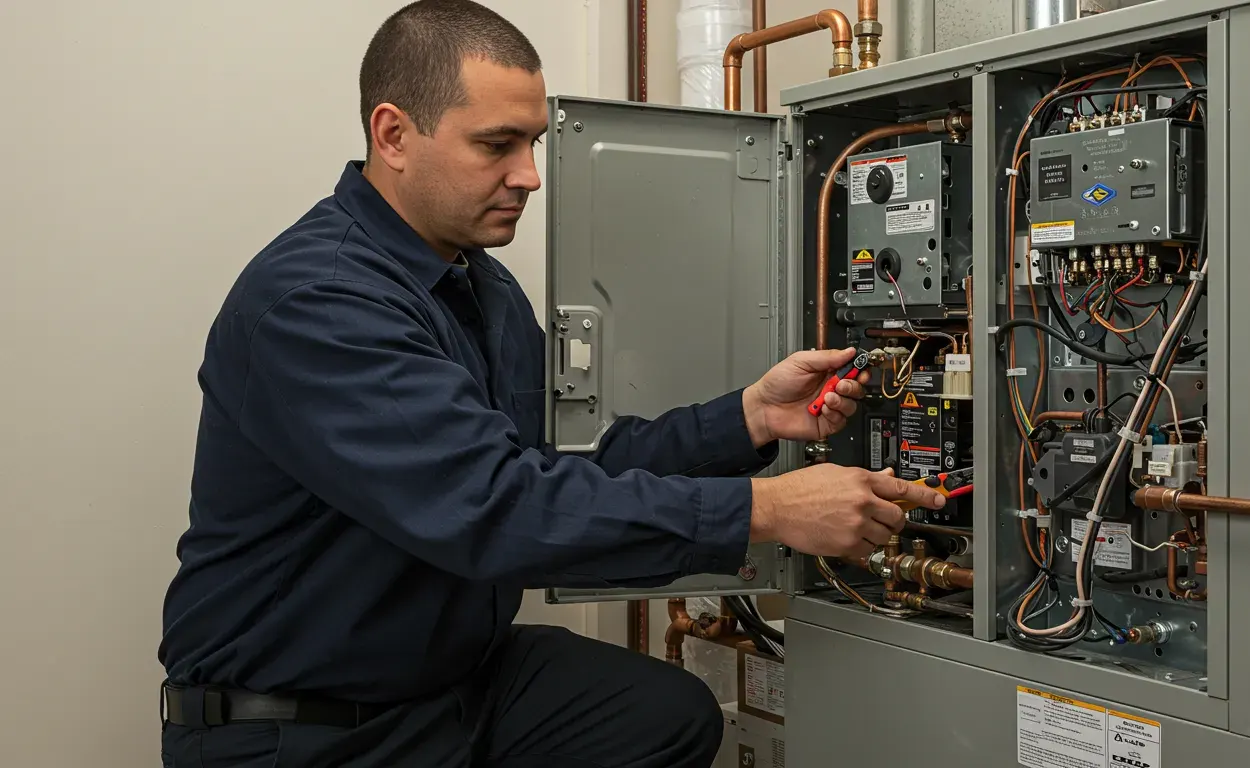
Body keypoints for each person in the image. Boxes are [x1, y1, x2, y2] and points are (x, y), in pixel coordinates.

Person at [158, 1, 946, 766]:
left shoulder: (479, 285)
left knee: (661, 718)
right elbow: (497, 510)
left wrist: (749, 420)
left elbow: (563, 470)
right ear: (393, 134)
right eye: (497, 145)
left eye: (533, 142)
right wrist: (767, 509)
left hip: (449, 686)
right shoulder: (319, 301)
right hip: (308, 727)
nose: (530, 176)